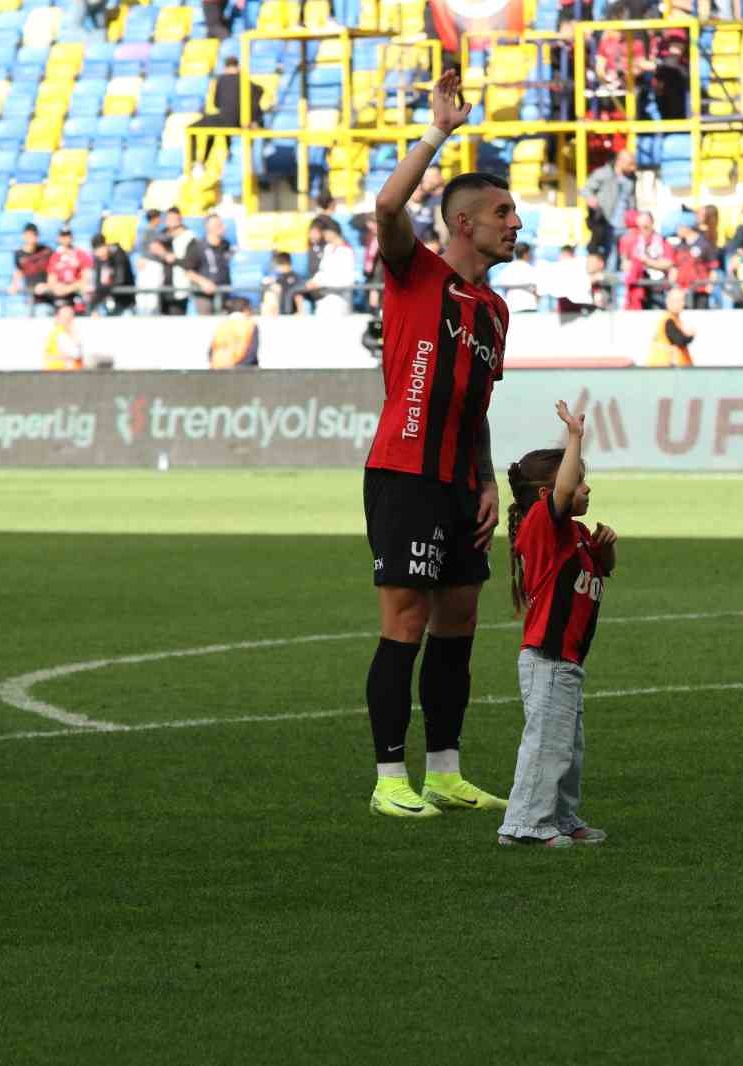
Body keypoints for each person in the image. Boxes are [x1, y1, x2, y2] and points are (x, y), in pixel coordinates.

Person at [362, 69, 518, 820]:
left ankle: (446, 772)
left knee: (460, 622)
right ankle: (390, 779)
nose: (514, 223)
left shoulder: (495, 311)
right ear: (463, 223)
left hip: (459, 482)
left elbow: (475, 403)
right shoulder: (414, 271)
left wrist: (486, 480)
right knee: (406, 623)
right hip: (405, 472)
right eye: (501, 212)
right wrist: (438, 133)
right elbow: (387, 206)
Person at [496, 400, 616, 848]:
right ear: (549, 494)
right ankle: (523, 824)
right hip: (547, 658)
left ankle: (562, 817)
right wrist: (574, 437)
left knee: (567, 746)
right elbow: (563, 493)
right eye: (578, 480)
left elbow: (604, 571)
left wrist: (606, 548)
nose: (586, 488)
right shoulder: (542, 527)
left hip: (567, 662)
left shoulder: (577, 535)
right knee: (547, 743)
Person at [188, 56, 263, 166]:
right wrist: (253, 118)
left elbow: (216, 103)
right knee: (212, 128)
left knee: (192, 128)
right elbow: (260, 91)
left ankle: (196, 163)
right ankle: (207, 161)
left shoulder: (221, 79)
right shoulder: (246, 81)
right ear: (238, 66)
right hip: (241, 121)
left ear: (225, 67)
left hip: (226, 120)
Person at [580, 150, 636, 262]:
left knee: (628, 256)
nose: (633, 168)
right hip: (607, 222)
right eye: (630, 164)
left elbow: (631, 200)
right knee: (611, 256)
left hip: (625, 225)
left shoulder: (631, 178)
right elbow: (585, 189)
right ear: (619, 161)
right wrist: (591, 199)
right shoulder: (604, 174)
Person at [620, 210, 674, 310]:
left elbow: (668, 263)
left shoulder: (662, 241)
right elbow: (625, 264)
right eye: (638, 227)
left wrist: (647, 262)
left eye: (645, 227)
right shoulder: (631, 241)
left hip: (657, 288)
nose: (642, 230)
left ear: (652, 224)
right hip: (637, 288)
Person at [301, 218, 357, 316]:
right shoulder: (328, 248)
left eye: (325, 232)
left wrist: (322, 284)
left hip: (339, 300)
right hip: (323, 298)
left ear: (333, 232)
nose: (324, 235)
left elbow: (347, 280)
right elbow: (322, 271)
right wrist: (314, 281)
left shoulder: (346, 251)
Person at [184, 214, 233, 315]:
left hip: (223, 292)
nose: (223, 227)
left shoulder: (226, 245)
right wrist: (203, 282)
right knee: (207, 321)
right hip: (204, 295)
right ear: (209, 228)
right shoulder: (197, 246)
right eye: (218, 225)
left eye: (221, 224)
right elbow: (188, 271)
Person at [38, 226, 92, 311]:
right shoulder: (55, 256)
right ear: (58, 238)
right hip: (59, 294)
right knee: (40, 290)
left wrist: (69, 288)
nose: (65, 239)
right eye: (63, 236)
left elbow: (87, 279)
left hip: (76, 293)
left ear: (72, 237)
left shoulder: (81, 254)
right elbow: (51, 279)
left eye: (67, 236)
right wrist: (56, 287)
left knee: (86, 290)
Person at [669, 218, 719, 310]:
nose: (677, 231)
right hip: (682, 292)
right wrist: (673, 286)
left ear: (687, 227)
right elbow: (675, 268)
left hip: (700, 291)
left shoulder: (704, 244)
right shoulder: (679, 246)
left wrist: (710, 285)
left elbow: (713, 268)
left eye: (679, 227)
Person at [648, 286, 696, 366]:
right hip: (665, 366)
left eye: (683, 300)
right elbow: (679, 340)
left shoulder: (674, 319)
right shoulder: (668, 320)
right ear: (669, 302)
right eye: (679, 300)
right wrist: (690, 335)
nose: (683, 303)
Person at [89, 234, 135, 315]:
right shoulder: (99, 259)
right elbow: (98, 282)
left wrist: (104, 288)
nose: (99, 255)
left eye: (100, 249)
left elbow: (120, 280)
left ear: (105, 246)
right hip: (108, 301)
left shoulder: (119, 254)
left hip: (125, 301)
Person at [208, 297, 260, 368]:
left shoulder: (222, 325)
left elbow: (211, 351)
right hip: (241, 368)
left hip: (218, 366)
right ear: (246, 310)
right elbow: (252, 352)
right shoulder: (250, 324)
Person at [10, 224, 53, 301]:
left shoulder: (46, 251)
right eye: (29, 235)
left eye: (34, 235)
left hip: (47, 293)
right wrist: (14, 285)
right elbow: (19, 271)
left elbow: (54, 271)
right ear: (24, 236)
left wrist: (47, 285)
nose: (31, 238)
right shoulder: (18, 254)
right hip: (30, 293)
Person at [494, 242, 539, 314]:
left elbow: (502, 288)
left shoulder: (507, 269)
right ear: (526, 254)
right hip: (529, 305)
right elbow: (536, 290)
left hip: (512, 306)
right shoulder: (531, 269)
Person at [43, 303, 85, 370]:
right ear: (58, 318)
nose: (69, 319)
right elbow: (74, 354)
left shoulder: (72, 332)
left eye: (71, 316)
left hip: (71, 371)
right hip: (59, 371)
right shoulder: (57, 334)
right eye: (65, 317)